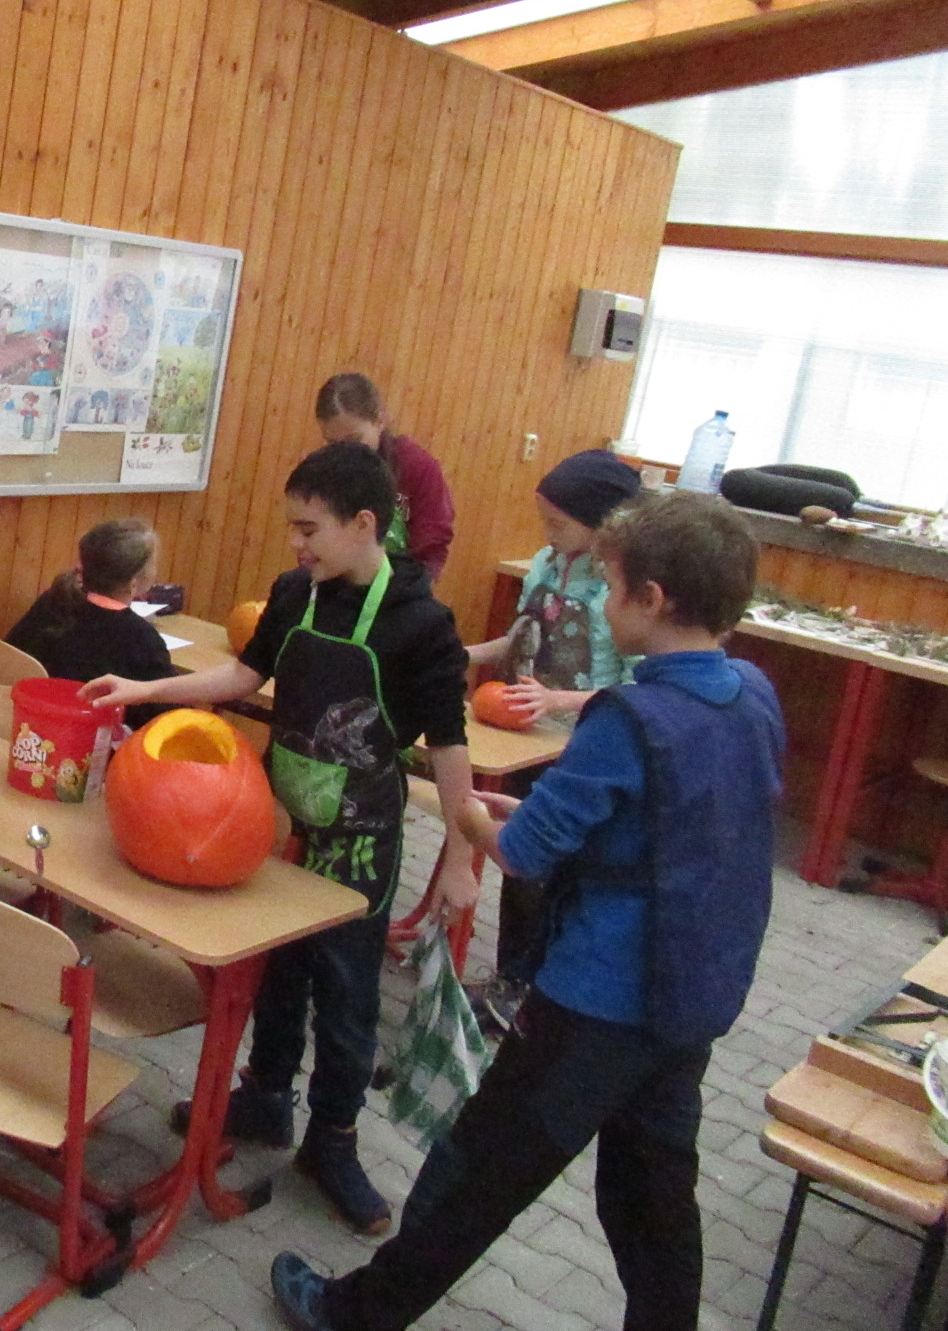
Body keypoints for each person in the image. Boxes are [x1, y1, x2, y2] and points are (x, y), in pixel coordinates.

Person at [271, 490, 785, 1331]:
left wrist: (466, 810)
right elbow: (671, 823)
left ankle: (355, 1314)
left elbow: (524, 856)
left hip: (598, 1002)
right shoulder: (753, 693)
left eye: (611, 589)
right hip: (695, 991)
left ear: (653, 600)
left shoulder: (628, 717)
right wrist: (535, 815)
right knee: (653, 1188)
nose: (604, 605)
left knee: (475, 1172)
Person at [85, 441, 481, 1235]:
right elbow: (243, 678)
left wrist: (463, 859)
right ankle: (267, 1097)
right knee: (278, 971)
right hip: (282, 825)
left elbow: (448, 746)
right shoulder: (296, 593)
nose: (295, 545)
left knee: (346, 995)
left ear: (363, 523)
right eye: (292, 529)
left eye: (309, 529)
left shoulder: (421, 623)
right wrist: (146, 689)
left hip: (359, 845)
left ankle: (333, 1141)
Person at [464, 447, 644, 1031]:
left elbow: (639, 692)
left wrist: (559, 700)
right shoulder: (546, 563)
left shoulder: (620, 590)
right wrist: (463, 653)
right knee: (520, 866)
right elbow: (520, 638)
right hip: (524, 736)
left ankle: (544, 993)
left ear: (601, 526)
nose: (547, 533)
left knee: (555, 874)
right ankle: (511, 980)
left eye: (558, 523)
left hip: (580, 747)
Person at [6, 518, 178, 728]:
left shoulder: (53, 601)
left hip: (30, 724)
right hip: (96, 739)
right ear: (133, 584)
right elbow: (165, 715)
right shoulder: (143, 638)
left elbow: (12, 656)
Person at [316, 373, 454, 581]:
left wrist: (412, 588)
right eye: (333, 443)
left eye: (355, 439)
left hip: (400, 584)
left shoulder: (417, 466)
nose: (346, 451)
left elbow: (433, 541)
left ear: (380, 421)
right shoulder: (326, 468)